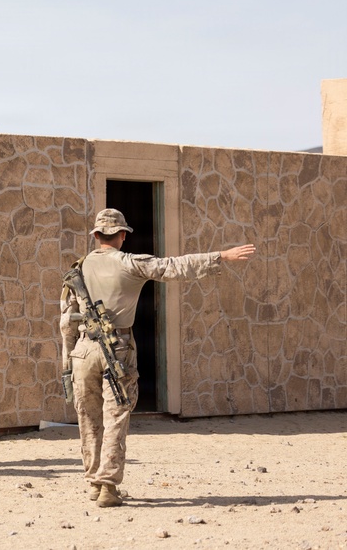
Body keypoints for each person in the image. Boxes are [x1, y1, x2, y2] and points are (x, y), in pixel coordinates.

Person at [60, 208, 255, 507]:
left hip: (83, 350)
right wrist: (221, 256)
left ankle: (93, 482)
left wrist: (68, 360)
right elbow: (173, 266)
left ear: (97, 236)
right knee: (116, 416)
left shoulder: (79, 268)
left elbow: (66, 319)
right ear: (122, 235)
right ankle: (108, 486)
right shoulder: (130, 262)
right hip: (118, 348)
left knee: (88, 417)